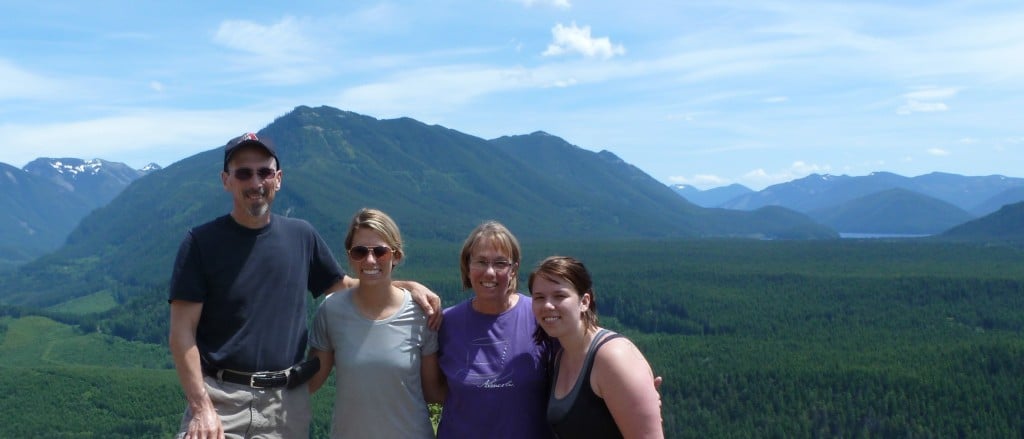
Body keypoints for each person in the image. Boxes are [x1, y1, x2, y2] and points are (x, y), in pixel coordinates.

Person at [168, 132, 440, 439]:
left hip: (284, 405)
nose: (256, 183)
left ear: (278, 178)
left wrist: (406, 286)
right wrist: (202, 408)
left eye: (264, 172)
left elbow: (346, 285)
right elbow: (181, 333)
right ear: (226, 180)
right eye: (244, 173)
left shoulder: (301, 236)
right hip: (220, 400)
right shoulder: (201, 243)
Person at [307, 208, 445, 438]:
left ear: (396, 255)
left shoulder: (421, 313)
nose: (370, 260)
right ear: (350, 256)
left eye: (380, 252)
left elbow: (434, 391)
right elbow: (310, 382)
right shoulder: (331, 311)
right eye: (359, 252)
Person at [434, 221, 555, 438]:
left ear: (514, 269)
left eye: (500, 263)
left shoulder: (540, 317)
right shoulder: (446, 323)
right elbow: (433, 390)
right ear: (467, 266)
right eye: (481, 262)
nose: (490, 272)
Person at [529, 256, 663, 439]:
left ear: (584, 301)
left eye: (559, 296)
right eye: (539, 298)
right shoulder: (560, 358)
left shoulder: (613, 358)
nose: (547, 305)